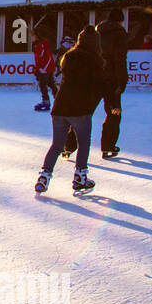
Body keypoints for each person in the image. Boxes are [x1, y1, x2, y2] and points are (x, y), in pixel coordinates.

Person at [36, 27, 107, 195]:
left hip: (60, 107)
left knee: (57, 145)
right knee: (83, 143)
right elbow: (99, 87)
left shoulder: (68, 57)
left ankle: (44, 177)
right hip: (80, 110)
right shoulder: (95, 61)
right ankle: (80, 177)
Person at [97, 9, 129, 159]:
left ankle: (68, 146)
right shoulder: (120, 33)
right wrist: (122, 82)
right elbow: (120, 59)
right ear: (120, 20)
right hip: (111, 79)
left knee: (83, 111)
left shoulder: (97, 32)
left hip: (94, 76)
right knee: (114, 113)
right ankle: (108, 146)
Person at [31, 28, 58, 111]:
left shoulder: (41, 45)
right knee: (51, 84)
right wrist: (38, 69)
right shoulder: (39, 45)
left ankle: (46, 101)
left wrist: (42, 69)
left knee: (43, 85)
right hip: (46, 69)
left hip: (45, 69)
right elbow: (39, 59)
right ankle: (59, 100)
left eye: (33, 36)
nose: (32, 38)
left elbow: (46, 58)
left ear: (37, 36)